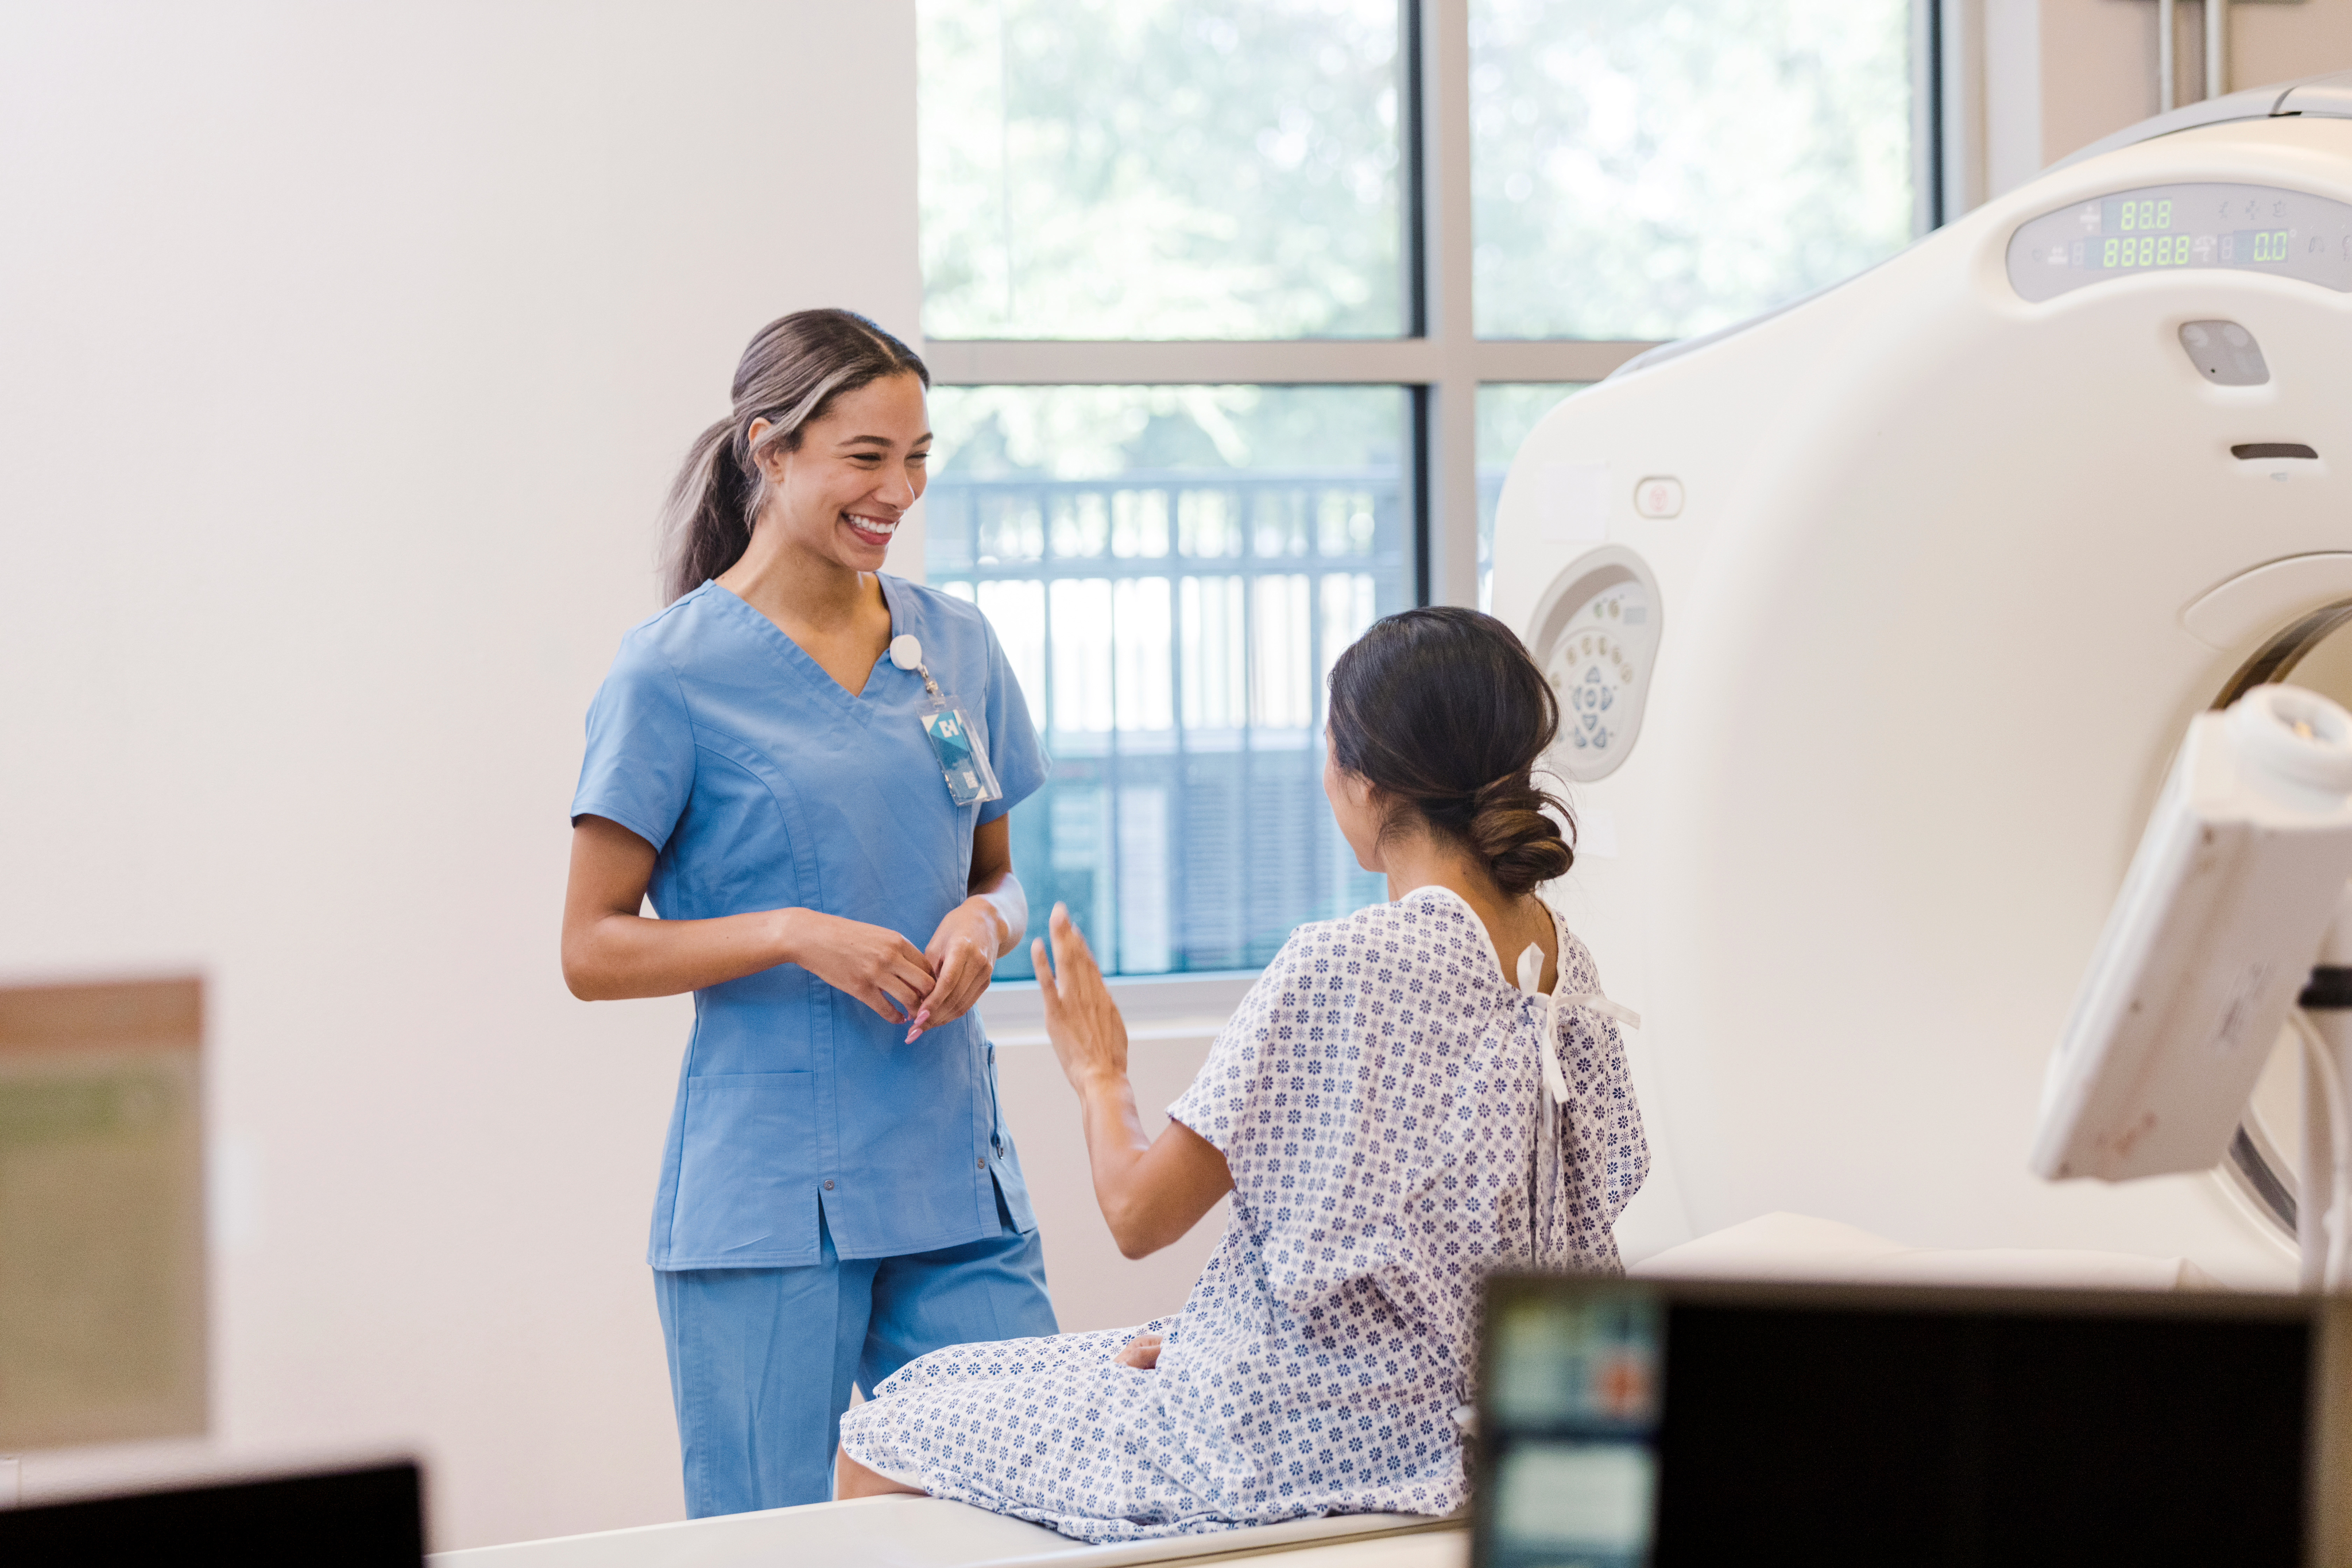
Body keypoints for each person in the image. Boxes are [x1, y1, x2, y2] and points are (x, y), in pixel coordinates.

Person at [833, 606, 1649, 1539]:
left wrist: (1101, 1077)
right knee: (989, 1370)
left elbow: (1140, 1215)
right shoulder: (1561, 963)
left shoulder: (1344, 964)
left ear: (1366, 779)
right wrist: (1199, 1343)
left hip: (1293, 1436)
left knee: (888, 1427)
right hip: (1473, 1421)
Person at [560, 308, 1057, 1516]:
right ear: (768, 449)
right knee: (763, 1543)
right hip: (769, 1199)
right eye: (867, 457)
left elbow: (1001, 874)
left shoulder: (955, 645)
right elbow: (591, 946)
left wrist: (984, 929)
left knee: (1036, 1506)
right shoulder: (669, 674)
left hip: (954, 1173)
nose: (899, 490)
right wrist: (790, 929)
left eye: (918, 457)